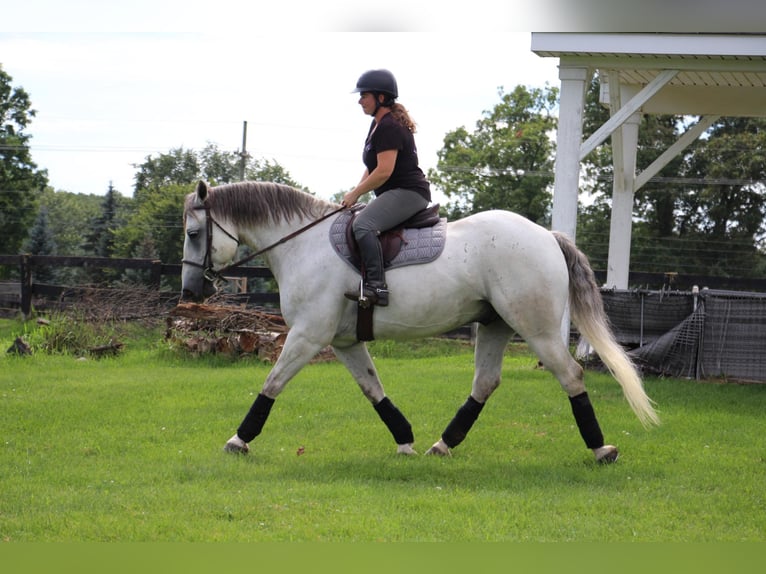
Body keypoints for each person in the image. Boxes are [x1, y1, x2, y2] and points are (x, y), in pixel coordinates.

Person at [341, 69, 432, 307]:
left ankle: (376, 287)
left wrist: (356, 193)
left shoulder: (389, 126)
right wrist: (355, 191)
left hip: (409, 192)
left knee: (363, 225)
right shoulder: (377, 124)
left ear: (381, 98)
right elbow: (372, 167)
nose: (360, 100)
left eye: (364, 95)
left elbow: (384, 171)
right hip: (395, 191)